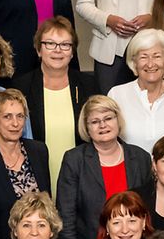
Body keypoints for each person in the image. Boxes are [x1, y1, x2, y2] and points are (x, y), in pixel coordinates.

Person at [56, 95, 151, 239]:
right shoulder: (75, 160)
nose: (102, 125)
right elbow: (66, 217)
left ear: (118, 120)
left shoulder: (140, 158)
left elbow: (148, 212)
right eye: (94, 121)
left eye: (108, 118)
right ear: (86, 127)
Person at [12, 17, 99, 185]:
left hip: (81, 178)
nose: (58, 50)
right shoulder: (21, 87)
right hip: (35, 178)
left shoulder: (88, 86)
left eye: (65, 45)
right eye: (50, 44)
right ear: (39, 49)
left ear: (72, 52)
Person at [0, 89, 51, 239]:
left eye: (20, 116)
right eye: (7, 117)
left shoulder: (39, 151)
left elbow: (47, 205)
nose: (15, 123)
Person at [107, 29, 164, 152]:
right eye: (143, 57)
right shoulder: (116, 94)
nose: (150, 64)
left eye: (157, 56)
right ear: (134, 62)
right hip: (128, 169)